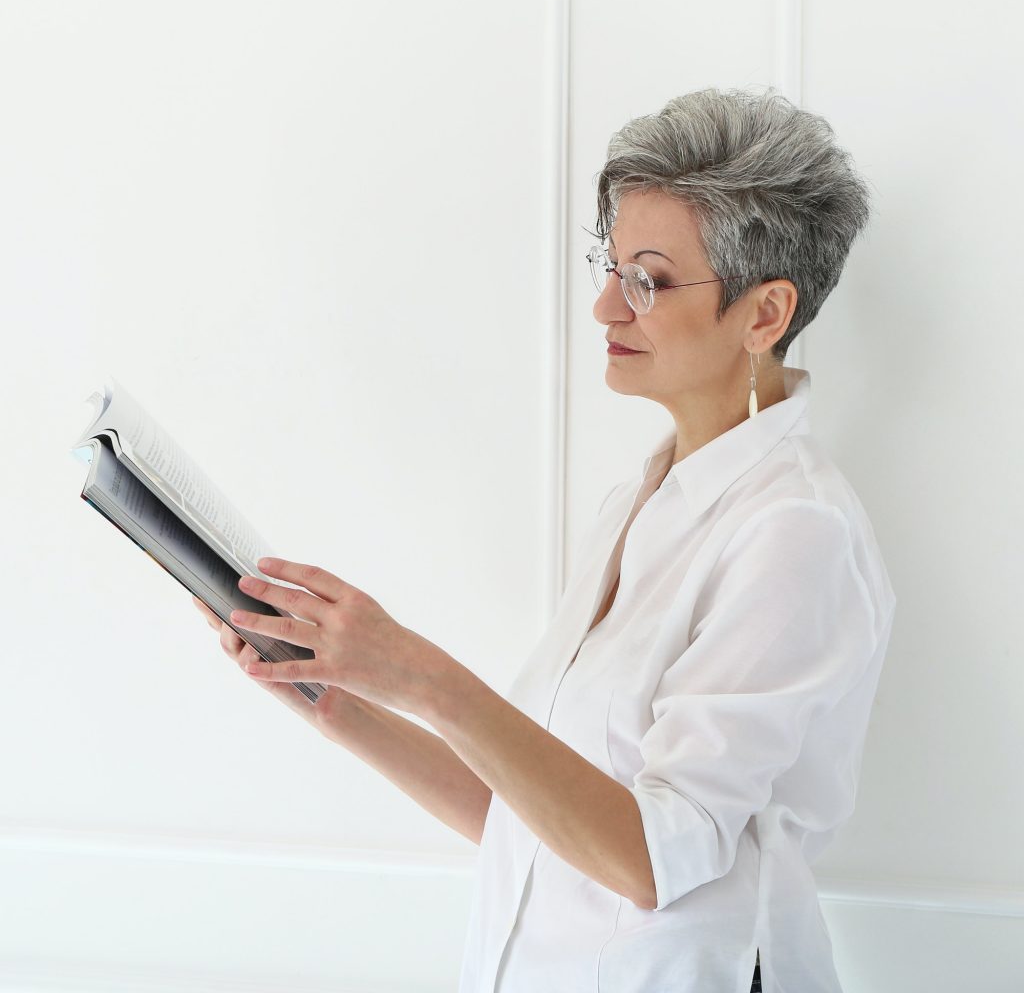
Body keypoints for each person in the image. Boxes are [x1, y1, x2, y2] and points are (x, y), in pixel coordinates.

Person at [193, 86, 896, 993]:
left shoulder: (794, 533)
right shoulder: (641, 500)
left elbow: (651, 860)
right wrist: (334, 698)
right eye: (612, 265)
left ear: (764, 315)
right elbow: (526, 817)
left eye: (647, 277)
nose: (606, 307)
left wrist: (417, 671)